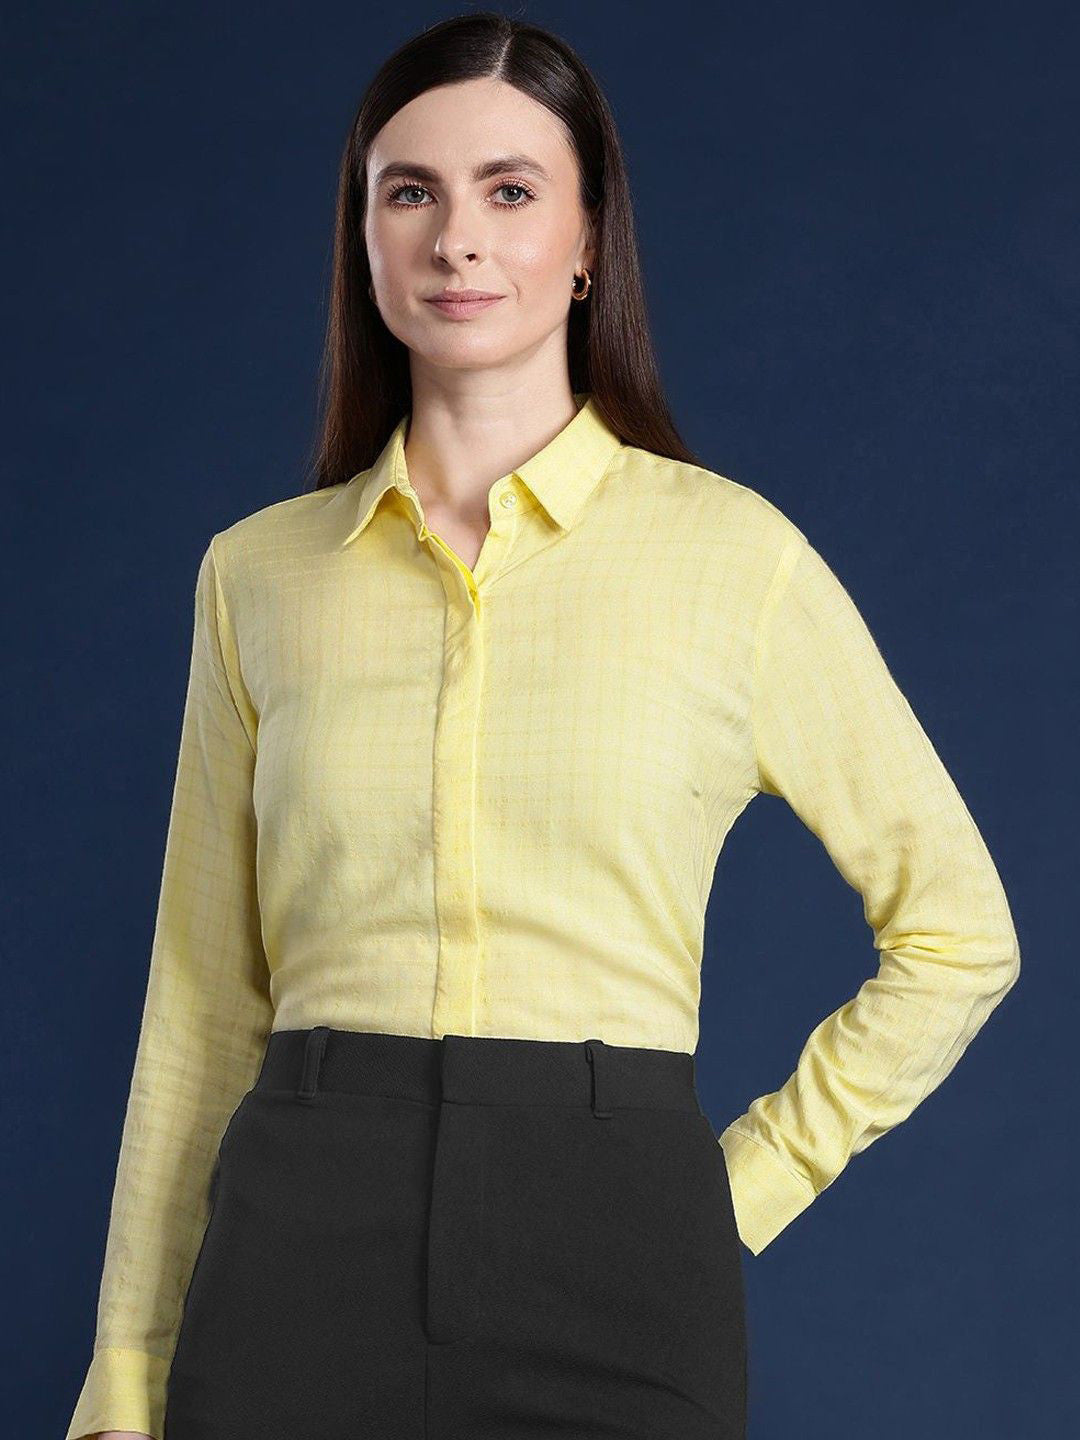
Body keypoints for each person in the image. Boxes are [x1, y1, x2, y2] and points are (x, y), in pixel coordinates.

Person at [66, 10, 1021, 1440]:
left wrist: (724, 1194)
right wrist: (127, 1376)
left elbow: (959, 934)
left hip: (616, 1251)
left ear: (587, 242)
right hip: (294, 1249)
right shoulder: (257, 576)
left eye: (510, 190)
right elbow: (201, 1009)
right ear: (364, 239)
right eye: (412, 192)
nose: (459, 240)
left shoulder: (735, 561)